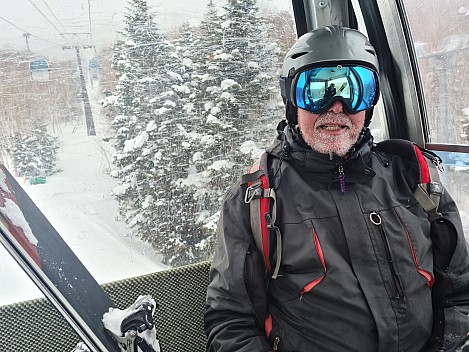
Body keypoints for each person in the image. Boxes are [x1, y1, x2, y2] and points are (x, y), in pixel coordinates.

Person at [204, 25, 469, 352]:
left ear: (370, 105)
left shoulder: (414, 176)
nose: (336, 107)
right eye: (316, 91)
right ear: (291, 100)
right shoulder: (257, 198)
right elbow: (230, 319)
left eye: (357, 90)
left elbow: (460, 290)